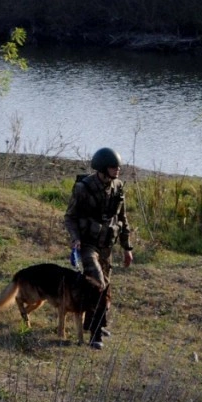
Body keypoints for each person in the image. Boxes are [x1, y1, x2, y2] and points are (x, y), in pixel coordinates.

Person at [63, 147, 134, 349]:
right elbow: (70, 217)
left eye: (118, 166)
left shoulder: (118, 187)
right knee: (97, 284)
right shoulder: (83, 188)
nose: (117, 170)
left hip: (107, 246)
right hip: (88, 244)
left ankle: (94, 323)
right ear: (103, 168)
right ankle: (96, 334)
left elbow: (122, 219)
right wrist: (75, 238)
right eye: (113, 167)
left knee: (106, 287)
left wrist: (127, 247)